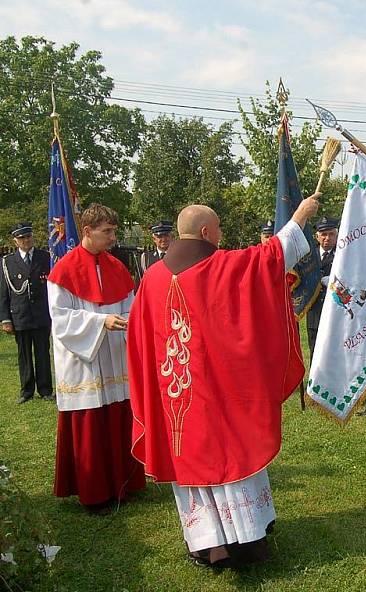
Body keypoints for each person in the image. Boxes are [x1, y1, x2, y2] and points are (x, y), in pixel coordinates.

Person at [128, 194, 320, 567]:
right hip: (219, 397)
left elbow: (138, 343)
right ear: (204, 232)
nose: (221, 238)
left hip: (176, 400)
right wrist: (299, 216)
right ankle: (246, 541)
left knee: (192, 467)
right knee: (231, 458)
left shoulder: (150, 279)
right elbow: (269, 259)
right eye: (218, 231)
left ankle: (208, 545)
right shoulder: (220, 267)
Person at [47, 203, 146, 508]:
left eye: (114, 230)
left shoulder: (117, 267)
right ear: (88, 231)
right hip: (84, 361)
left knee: (117, 417)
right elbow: (60, 318)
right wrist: (101, 322)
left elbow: (130, 304)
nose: (113, 237)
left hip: (114, 355)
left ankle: (122, 483)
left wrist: (129, 319)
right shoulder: (63, 270)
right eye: (108, 231)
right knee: (91, 423)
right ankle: (94, 492)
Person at [0, 222, 53, 403]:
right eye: (22, 238)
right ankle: (26, 390)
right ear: (15, 241)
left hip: (41, 315)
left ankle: (45, 389)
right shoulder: (7, 262)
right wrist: (5, 319)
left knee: (43, 353)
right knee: (24, 355)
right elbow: (4, 292)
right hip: (20, 315)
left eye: (28, 236)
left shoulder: (45, 257)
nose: (26, 240)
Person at [306, 216, 338, 357]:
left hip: (335, 313)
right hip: (315, 313)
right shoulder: (308, 256)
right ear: (317, 236)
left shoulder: (342, 256)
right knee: (315, 352)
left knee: (334, 354)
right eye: (324, 234)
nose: (327, 238)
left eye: (331, 234)